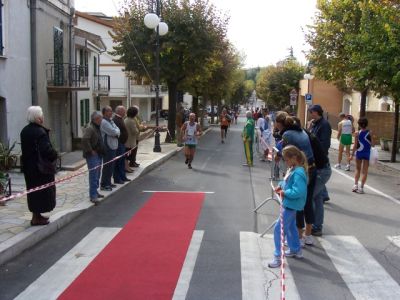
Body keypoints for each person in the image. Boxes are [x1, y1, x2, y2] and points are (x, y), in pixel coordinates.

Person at [275, 111, 316, 246]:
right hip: (311, 166)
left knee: (298, 202)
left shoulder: (287, 134)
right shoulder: (302, 131)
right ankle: (308, 235)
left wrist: (284, 190)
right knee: (308, 202)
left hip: (301, 168)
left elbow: (287, 151)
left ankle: (298, 237)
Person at [268, 145, 308, 268]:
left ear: (294, 157)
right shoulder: (293, 168)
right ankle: (296, 249)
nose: (285, 162)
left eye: (286, 159)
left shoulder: (298, 172)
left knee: (278, 229)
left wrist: (284, 192)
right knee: (290, 228)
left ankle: (278, 257)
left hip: (291, 205)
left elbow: (298, 191)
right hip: (290, 204)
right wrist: (281, 186)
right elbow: (286, 182)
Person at [20, 106, 58, 226]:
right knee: (42, 192)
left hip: (29, 167)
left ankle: (36, 215)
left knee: (33, 192)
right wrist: (54, 155)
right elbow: (46, 150)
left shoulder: (25, 130)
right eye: (41, 115)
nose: (42, 117)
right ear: (38, 118)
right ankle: (37, 218)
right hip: (40, 168)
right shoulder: (39, 132)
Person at [308, 104, 332, 203]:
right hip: (316, 153)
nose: (310, 114)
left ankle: (322, 195)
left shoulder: (324, 124)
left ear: (316, 112)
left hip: (320, 154)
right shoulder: (315, 123)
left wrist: (319, 153)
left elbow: (324, 142)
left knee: (319, 173)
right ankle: (324, 194)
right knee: (317, 174)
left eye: (311, 112)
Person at [82, 111, 106, 205]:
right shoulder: (90, 128)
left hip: (99, 153)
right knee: (93, 175)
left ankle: (95, 192)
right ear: (96, 119)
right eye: (101, 118)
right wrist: (90, 150)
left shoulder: (96, 127)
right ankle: (93, 196)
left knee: (97, 174)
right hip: (93, 155)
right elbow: (84, 139)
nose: (102, 120)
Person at [351, 117, 373, 194]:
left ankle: (355, 185)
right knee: (364, 171)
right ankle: (361, 188)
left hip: (359, 153)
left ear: (359, 125)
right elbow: (372, 144)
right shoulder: (370, 132)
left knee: (357, 169)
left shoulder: (357, 133)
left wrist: (352, 155)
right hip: (367, 153)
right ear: (367, 124)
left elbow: (355, 145)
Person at [100, 106, 120, 191]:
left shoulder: (110, 120)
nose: (111, 112)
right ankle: (104, 184)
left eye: (111, 111)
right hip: (108, 146)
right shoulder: (104, 122)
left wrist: (116, 132)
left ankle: (108, 182)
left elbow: (118, 130)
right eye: (108, 111)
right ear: (104, 113)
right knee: (107, 166)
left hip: (113, 145)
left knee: (111, 166)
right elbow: (112, 132)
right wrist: (116, 132)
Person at [112, 105, 130, 184]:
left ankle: (123, 176)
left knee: (122, 161)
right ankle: (117, 178)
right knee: (118, 162)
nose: (125, 112)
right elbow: (116, 132)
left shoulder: (120, 119)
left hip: (122, 143)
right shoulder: (116, 119)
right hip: (119, 144)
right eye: (124, 111)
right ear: (119, 111)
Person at [125, 106, 140, 172]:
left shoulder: (126, 119)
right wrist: (138, 129)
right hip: (130, 141)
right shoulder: (131, 121)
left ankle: (127, 167)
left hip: (127, 140)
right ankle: (127, 167)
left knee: (127, 156)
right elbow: (135, 131)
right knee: (127, 156)